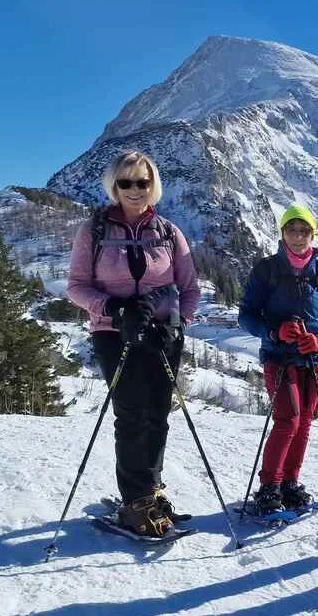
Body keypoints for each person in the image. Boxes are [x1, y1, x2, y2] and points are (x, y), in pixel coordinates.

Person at [67, 150, 201, 538]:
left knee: (158, 413)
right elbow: (76, 287)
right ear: (114, 185)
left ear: (152, 184)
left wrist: (179, 324)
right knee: (130, 414)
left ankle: (152, 489)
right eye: (125, 182)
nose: (134, 190)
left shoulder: (169, 232)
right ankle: (134, 501)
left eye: (142, 182)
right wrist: (112, 307)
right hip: (114, 332)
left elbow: (190, 289)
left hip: (162, 335)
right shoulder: (93, 231)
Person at [238, 204, 318, 514]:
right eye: (292, 230)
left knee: (304, 423)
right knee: (289, 420)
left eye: (304, 231)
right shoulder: (267, 269)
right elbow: (246, 316)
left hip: (315, 359)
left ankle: (290, 482)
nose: (298, 237)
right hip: (279, 357)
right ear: (282, 233)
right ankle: (269, 486)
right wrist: (274, 332)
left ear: (313, 234)